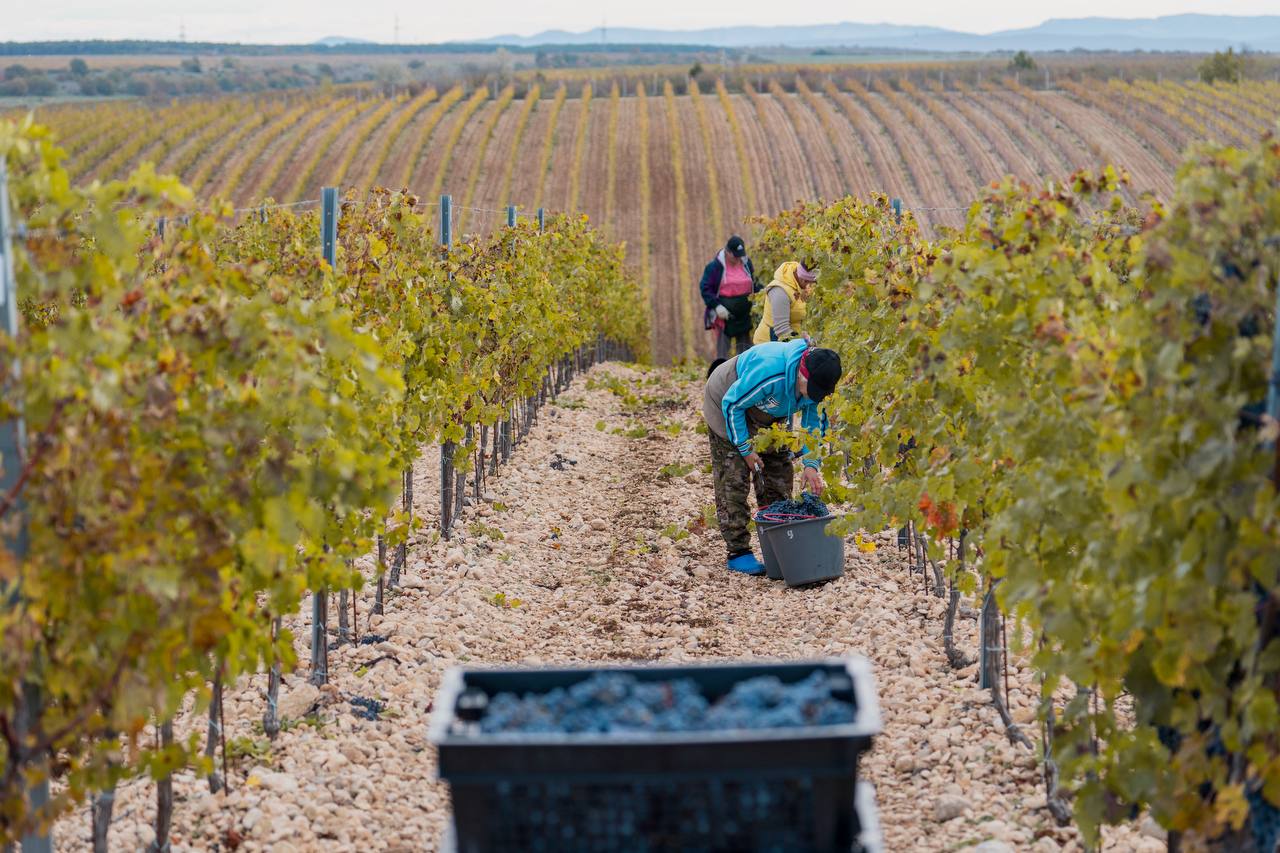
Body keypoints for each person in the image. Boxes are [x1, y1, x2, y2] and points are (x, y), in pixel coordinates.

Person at [702, 340, 843, 575]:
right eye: (813, 391)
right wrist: (746, 449)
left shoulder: (815, 386)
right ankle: (738, 552)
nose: (814, 398)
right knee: (734, 477)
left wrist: (811, 464)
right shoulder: (771, 372)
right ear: (801, 375)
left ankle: (776, 538)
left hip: (767, 412)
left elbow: (812, 426)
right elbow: (732, 405)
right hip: (726, 402)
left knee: (778, 471)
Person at [700, 236, 759, 359]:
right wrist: (717, 306)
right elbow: (705, 288)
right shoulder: (715, 267)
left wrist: (760, 297)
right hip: (725, 314)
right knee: (723, 350)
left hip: (744, 313)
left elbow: (754, 282)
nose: (738, 258)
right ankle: (719, 374)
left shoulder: (746, 263)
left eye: (740, 255)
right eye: (735, 255)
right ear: (727, 252)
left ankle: (744, 375)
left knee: (745, 351)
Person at [754, 260, 817, 345]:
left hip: (793, 338)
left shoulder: (801, 285)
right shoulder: (780, 291)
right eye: (812, 283)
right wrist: (805, 344)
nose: (812, 287)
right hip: (771, 343)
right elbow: (782, 331)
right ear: (804, 280)